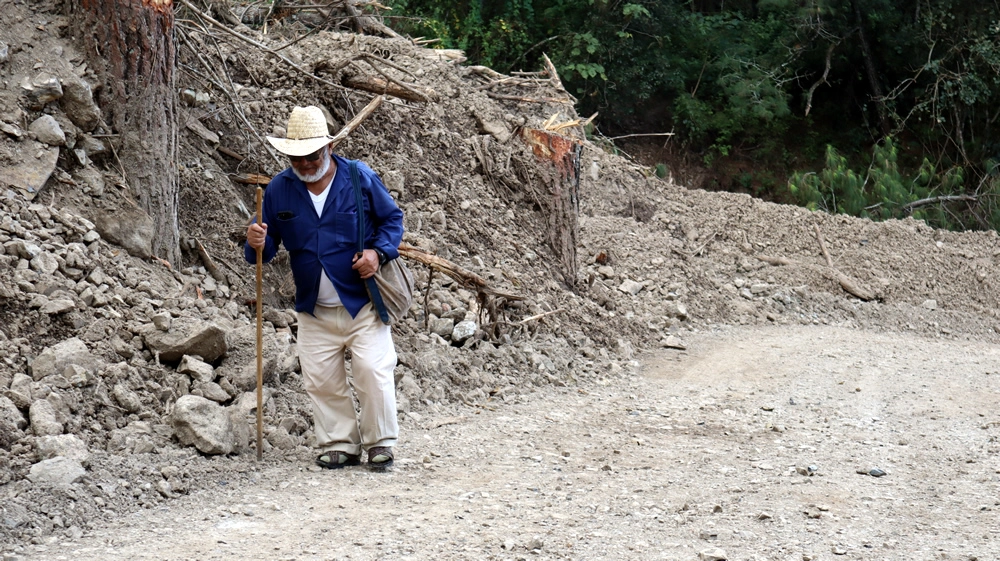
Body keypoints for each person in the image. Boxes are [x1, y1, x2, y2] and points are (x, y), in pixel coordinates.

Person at [245, 105, 403, 471]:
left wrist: (377, 253)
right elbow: (263, 252)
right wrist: (255, 239)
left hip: (362, 301)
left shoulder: (357, 176)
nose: (303, 165)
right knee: (322, 379)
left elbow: (392, 219)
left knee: (373, 372)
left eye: (311, 156)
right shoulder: (279, 190)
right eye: (295, 158)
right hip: (313, 307)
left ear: (328, 149)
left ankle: (380, 443)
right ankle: (338, 444)